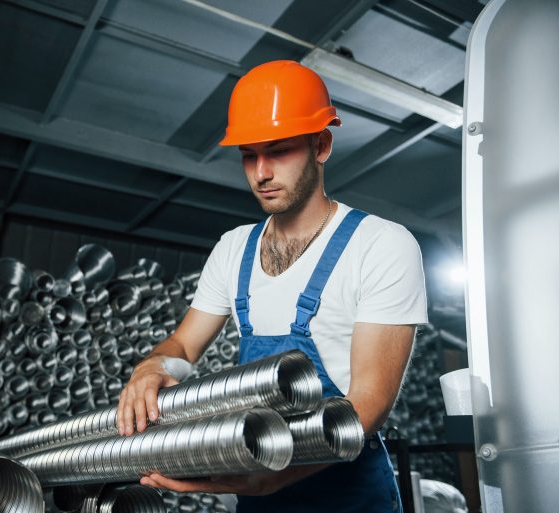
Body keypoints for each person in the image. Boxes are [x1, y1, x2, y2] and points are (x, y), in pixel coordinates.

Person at [116, 60, 427, 513]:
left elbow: (369, 403)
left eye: (278, 150)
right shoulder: (233, 248)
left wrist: (277, 475)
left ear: (321, 145)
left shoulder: (381, 244)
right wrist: (152, 367)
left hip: (345, 492)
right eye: (248, 154)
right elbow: (183, 346)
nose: (260, 172)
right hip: (258, 482)